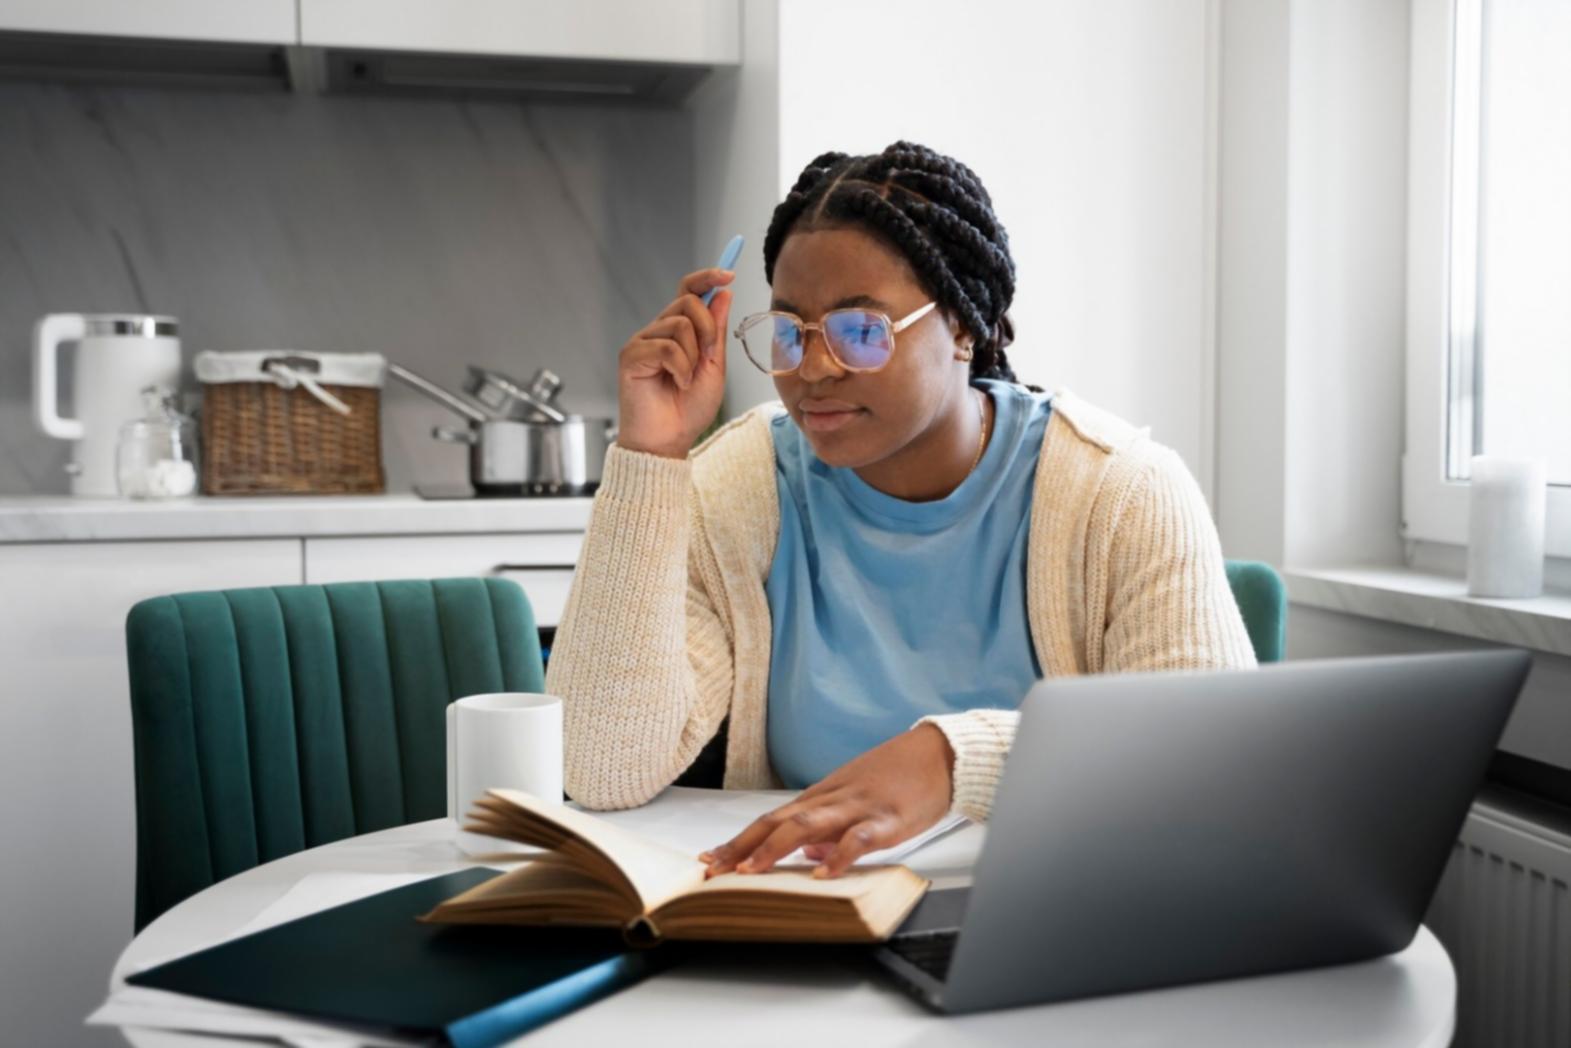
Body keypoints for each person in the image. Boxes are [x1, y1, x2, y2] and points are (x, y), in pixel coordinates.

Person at [544, 141, 1255, 880]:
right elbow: (600, 767)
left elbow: (1214, 764)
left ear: (963, 326)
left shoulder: (1122, 490)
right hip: (809, 908)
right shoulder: (740, 487)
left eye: (860, 330)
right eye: (789, 332)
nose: (813, 369)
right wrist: (651, 455)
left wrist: (955, 759)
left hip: (1053, 904)